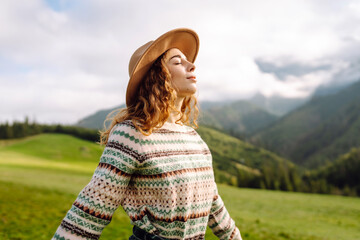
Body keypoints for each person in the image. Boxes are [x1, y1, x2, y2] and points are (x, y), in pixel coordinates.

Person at [52, 28, 242, 240]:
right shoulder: (131, 134)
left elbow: (213, 204)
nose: (191, 65)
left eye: (188, 60)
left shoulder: (195, 140)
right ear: (157, 76)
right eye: (178, 62)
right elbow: (93, 208)